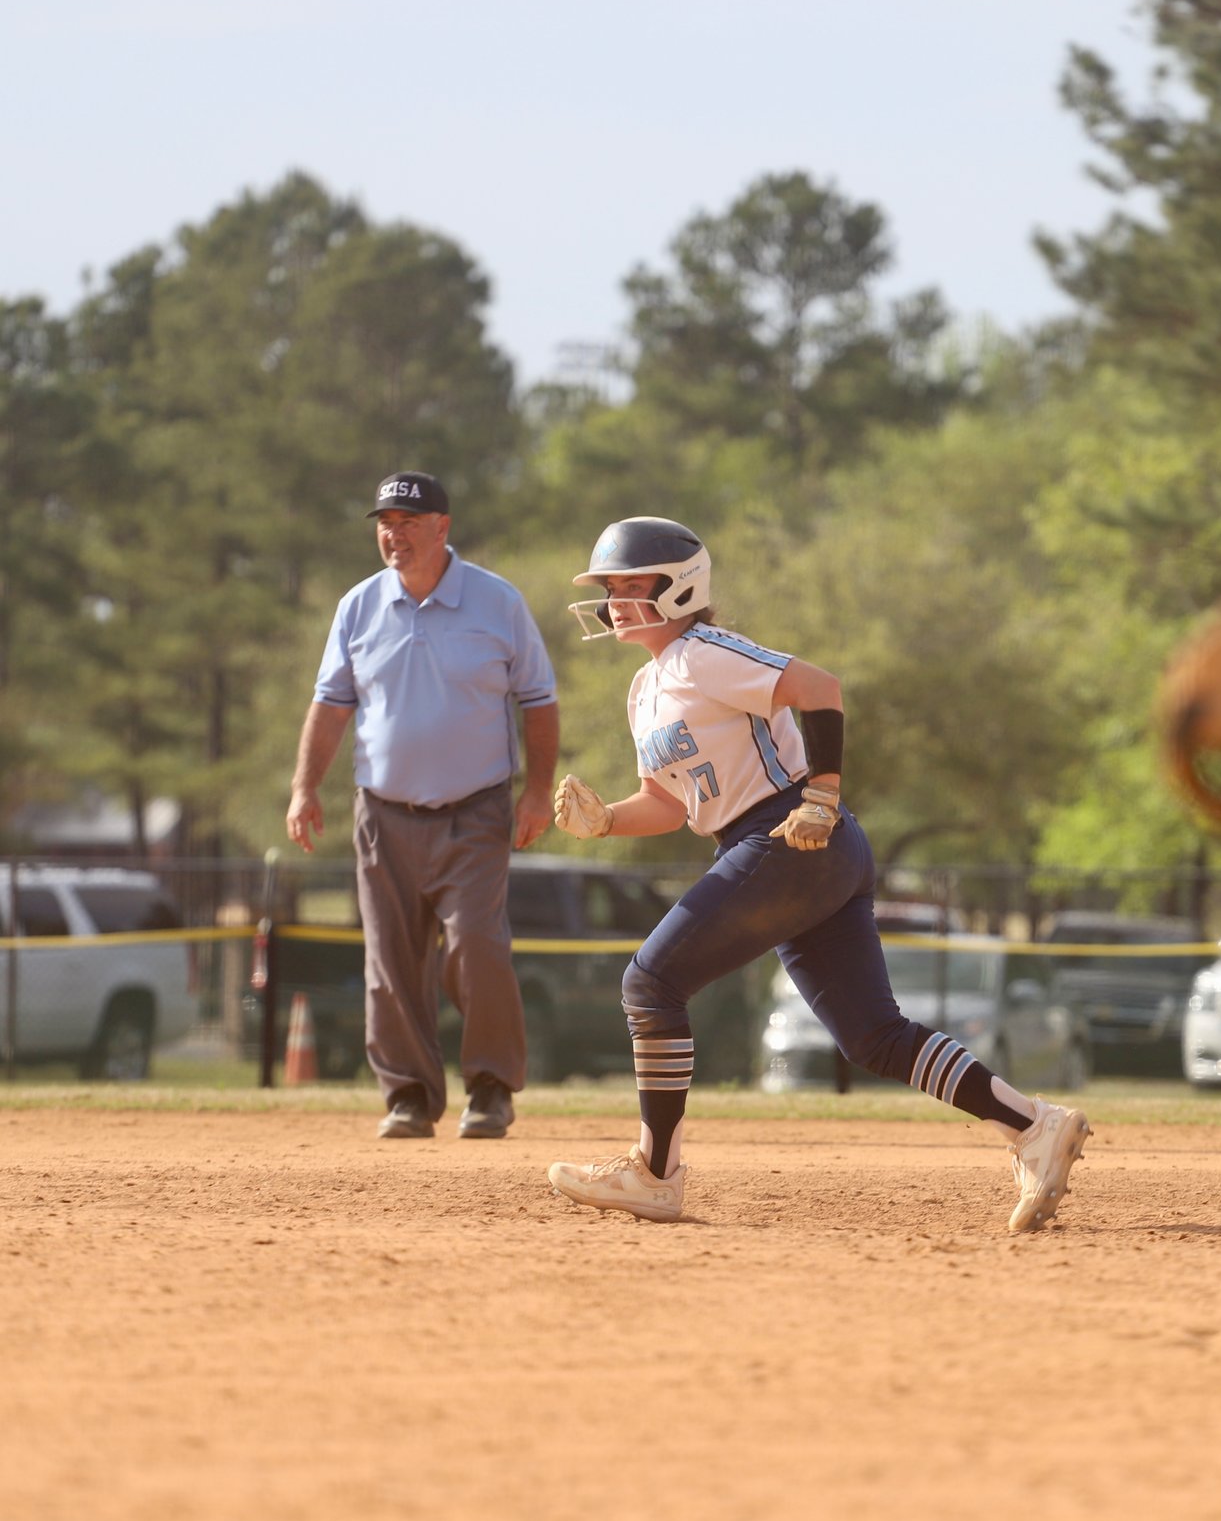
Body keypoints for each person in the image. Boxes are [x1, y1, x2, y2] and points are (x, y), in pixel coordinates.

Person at [541, 516, 1091, 1233]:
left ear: (680, 587)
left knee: (651, 982)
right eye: (607, 587)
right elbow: (670, 804)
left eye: (629, 583)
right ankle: (1034, 1124)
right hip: (785, 848)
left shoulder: (702, 652)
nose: (615, 598)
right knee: (872, 1036)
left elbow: (820, 688)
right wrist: (608, 819)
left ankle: (654, 1173)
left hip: (789, 837)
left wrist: (821, 796)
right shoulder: (646, 685)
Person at [287, 471, 560, 1141]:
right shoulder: (358, 606)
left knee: (476, 946)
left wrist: (536, 792)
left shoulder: (497, 603)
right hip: (383, 814)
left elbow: (539, 701)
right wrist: (304, 787)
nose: (393, 533)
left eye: (408, 521)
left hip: (476, 810)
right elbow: (330, 706)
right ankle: (408, 1096)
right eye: (384, 521)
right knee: (389, 962)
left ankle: (491, 1089)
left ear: (443, 527)